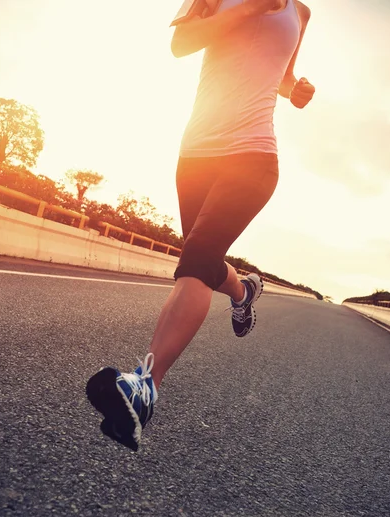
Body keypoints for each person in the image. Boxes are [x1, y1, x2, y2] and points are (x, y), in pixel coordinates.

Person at [86, 0, 315, 450]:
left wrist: (297, 90)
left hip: (254, 155)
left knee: (195, 262)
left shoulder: (301, 13)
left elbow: (282, 74)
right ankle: (244, 292)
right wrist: (249, 8)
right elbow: (182, 43)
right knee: (202, 261)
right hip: (195, 154)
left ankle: (145, 387)